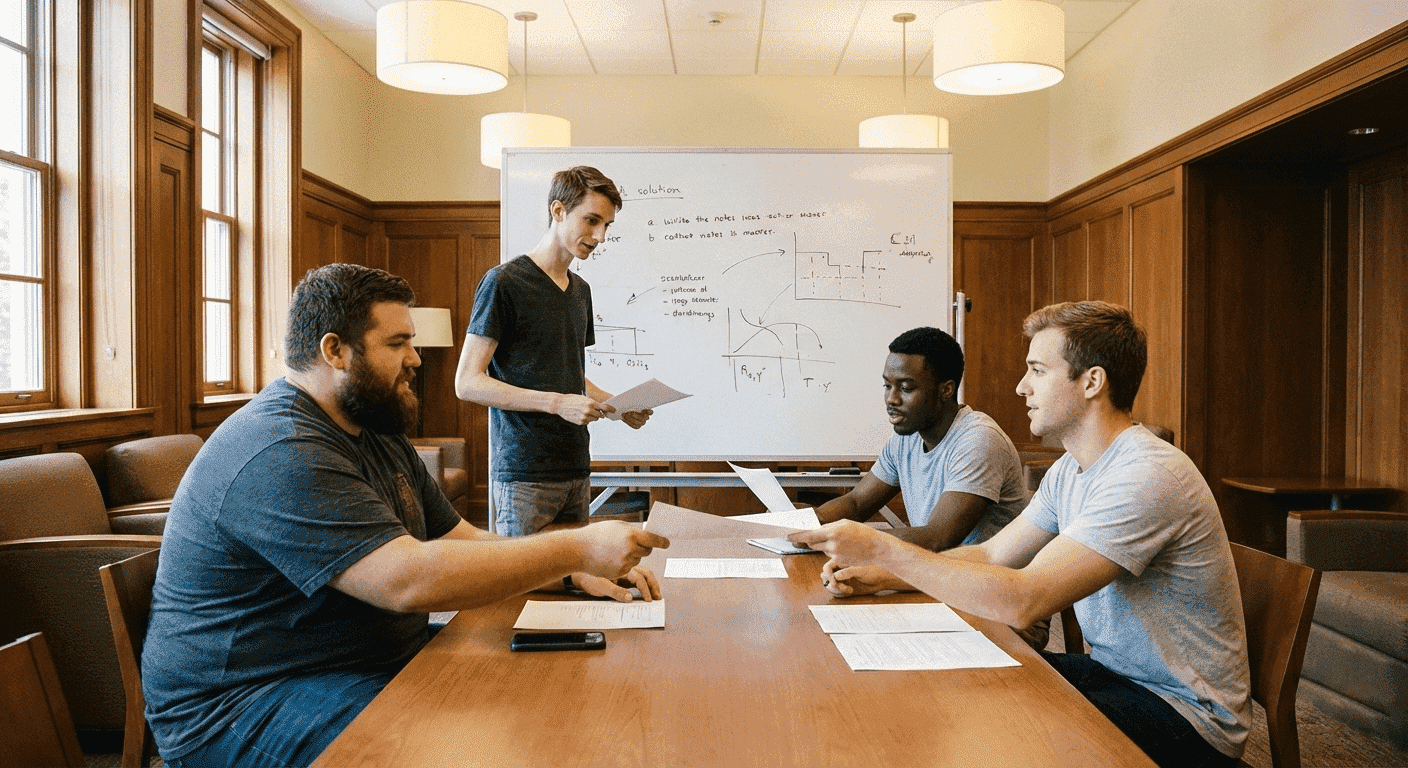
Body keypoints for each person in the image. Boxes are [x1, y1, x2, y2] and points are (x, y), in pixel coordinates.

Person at [142, 263, 669, 768]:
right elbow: (407, 581)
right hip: (243, 706)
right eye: (398, 344)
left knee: (540, 708)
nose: (417, 359)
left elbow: (461, 537)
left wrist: (571, 574)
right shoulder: (280, 447)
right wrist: (576, 546)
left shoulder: (374, 429)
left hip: (358, 668)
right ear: (335, 351)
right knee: (477, 744)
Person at [790, 301, 1250, 768]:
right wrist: (884, 573)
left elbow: (1025, 600)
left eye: (1037, 370)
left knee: (990, 726)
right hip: (1117, 675)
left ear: (1092, 381)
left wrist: (884, 548)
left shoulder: (1147, 475)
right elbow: (992, 555)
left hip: (1185, 716)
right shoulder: (1070, 469)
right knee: (951, 685)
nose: (1021, 386)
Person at [811, 327, 1043, 647]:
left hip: (996, 600)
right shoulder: (905, 438)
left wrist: (858, 543)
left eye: (906, 388)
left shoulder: (978, 440)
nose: (891, 399)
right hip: (939, 582)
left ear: (946, 390)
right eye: (887, 385)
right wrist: (796, 527)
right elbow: (855, 504)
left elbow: (938, 537)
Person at [456, 166, 652, 536]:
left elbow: (568, 372)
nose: (599, 237)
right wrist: (558, 403)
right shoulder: (503, 282)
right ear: (558, 211)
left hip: (576, 465)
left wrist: (618, 404)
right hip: (525, 473)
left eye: (607, 226)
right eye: (591, 220)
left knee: (578, 585)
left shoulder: (581, 291)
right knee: (526, 587)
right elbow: (467, 383)